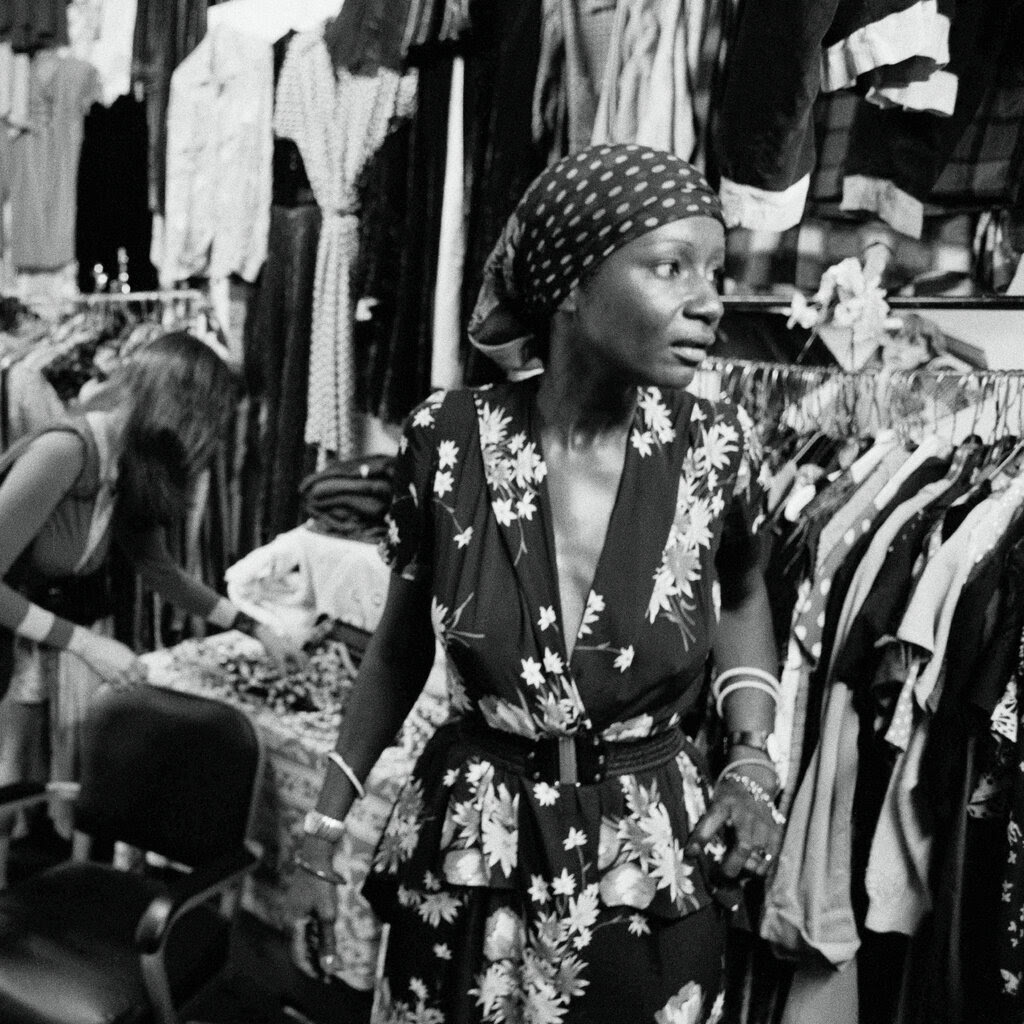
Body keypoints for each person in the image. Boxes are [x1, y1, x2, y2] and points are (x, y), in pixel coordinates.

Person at [295, 144, 784, 1024]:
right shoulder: (444, 441)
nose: (710, 301)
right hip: (474, 846)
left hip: (644, 857)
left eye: (716, 271)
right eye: (671, 268)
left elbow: (743, 593)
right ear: (570, 284)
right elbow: (401, 646)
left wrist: (751, 757)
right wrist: (322, 829)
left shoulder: (715, 449)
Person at [0, 331, 303, 882]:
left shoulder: (128, 466)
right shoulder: (66, 450)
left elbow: (161, 571)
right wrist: (86, 642)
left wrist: (255, 626)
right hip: (13, 630)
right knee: (6, 777)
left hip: (29, 626)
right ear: (180, 409)